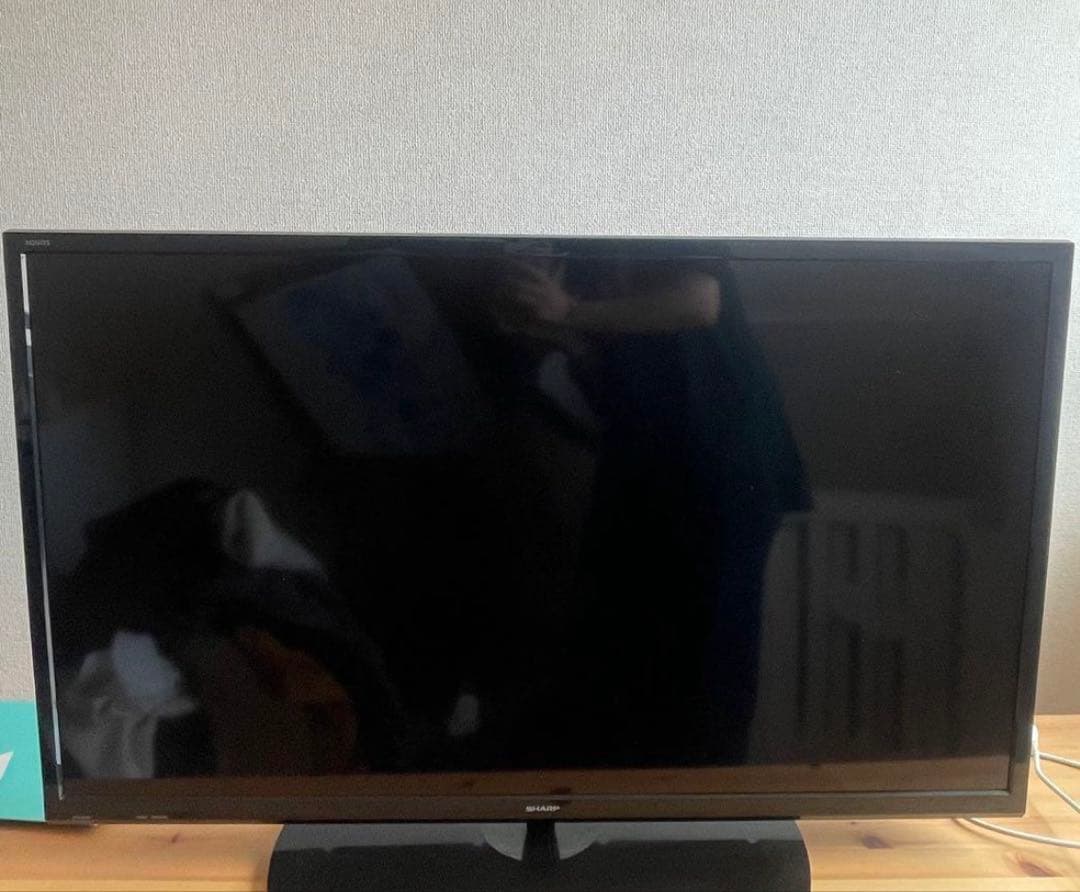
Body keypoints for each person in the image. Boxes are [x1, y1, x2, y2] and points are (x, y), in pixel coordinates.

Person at [490, 252, 810, 766]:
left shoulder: (652, 209)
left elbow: (700, 302)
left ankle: (704, 799)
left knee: (708, 673)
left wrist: (567, 311)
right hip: (647, 468)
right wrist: (561, 335)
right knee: (630, 659)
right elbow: (617, 364)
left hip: (719, 465)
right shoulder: (575, 251)